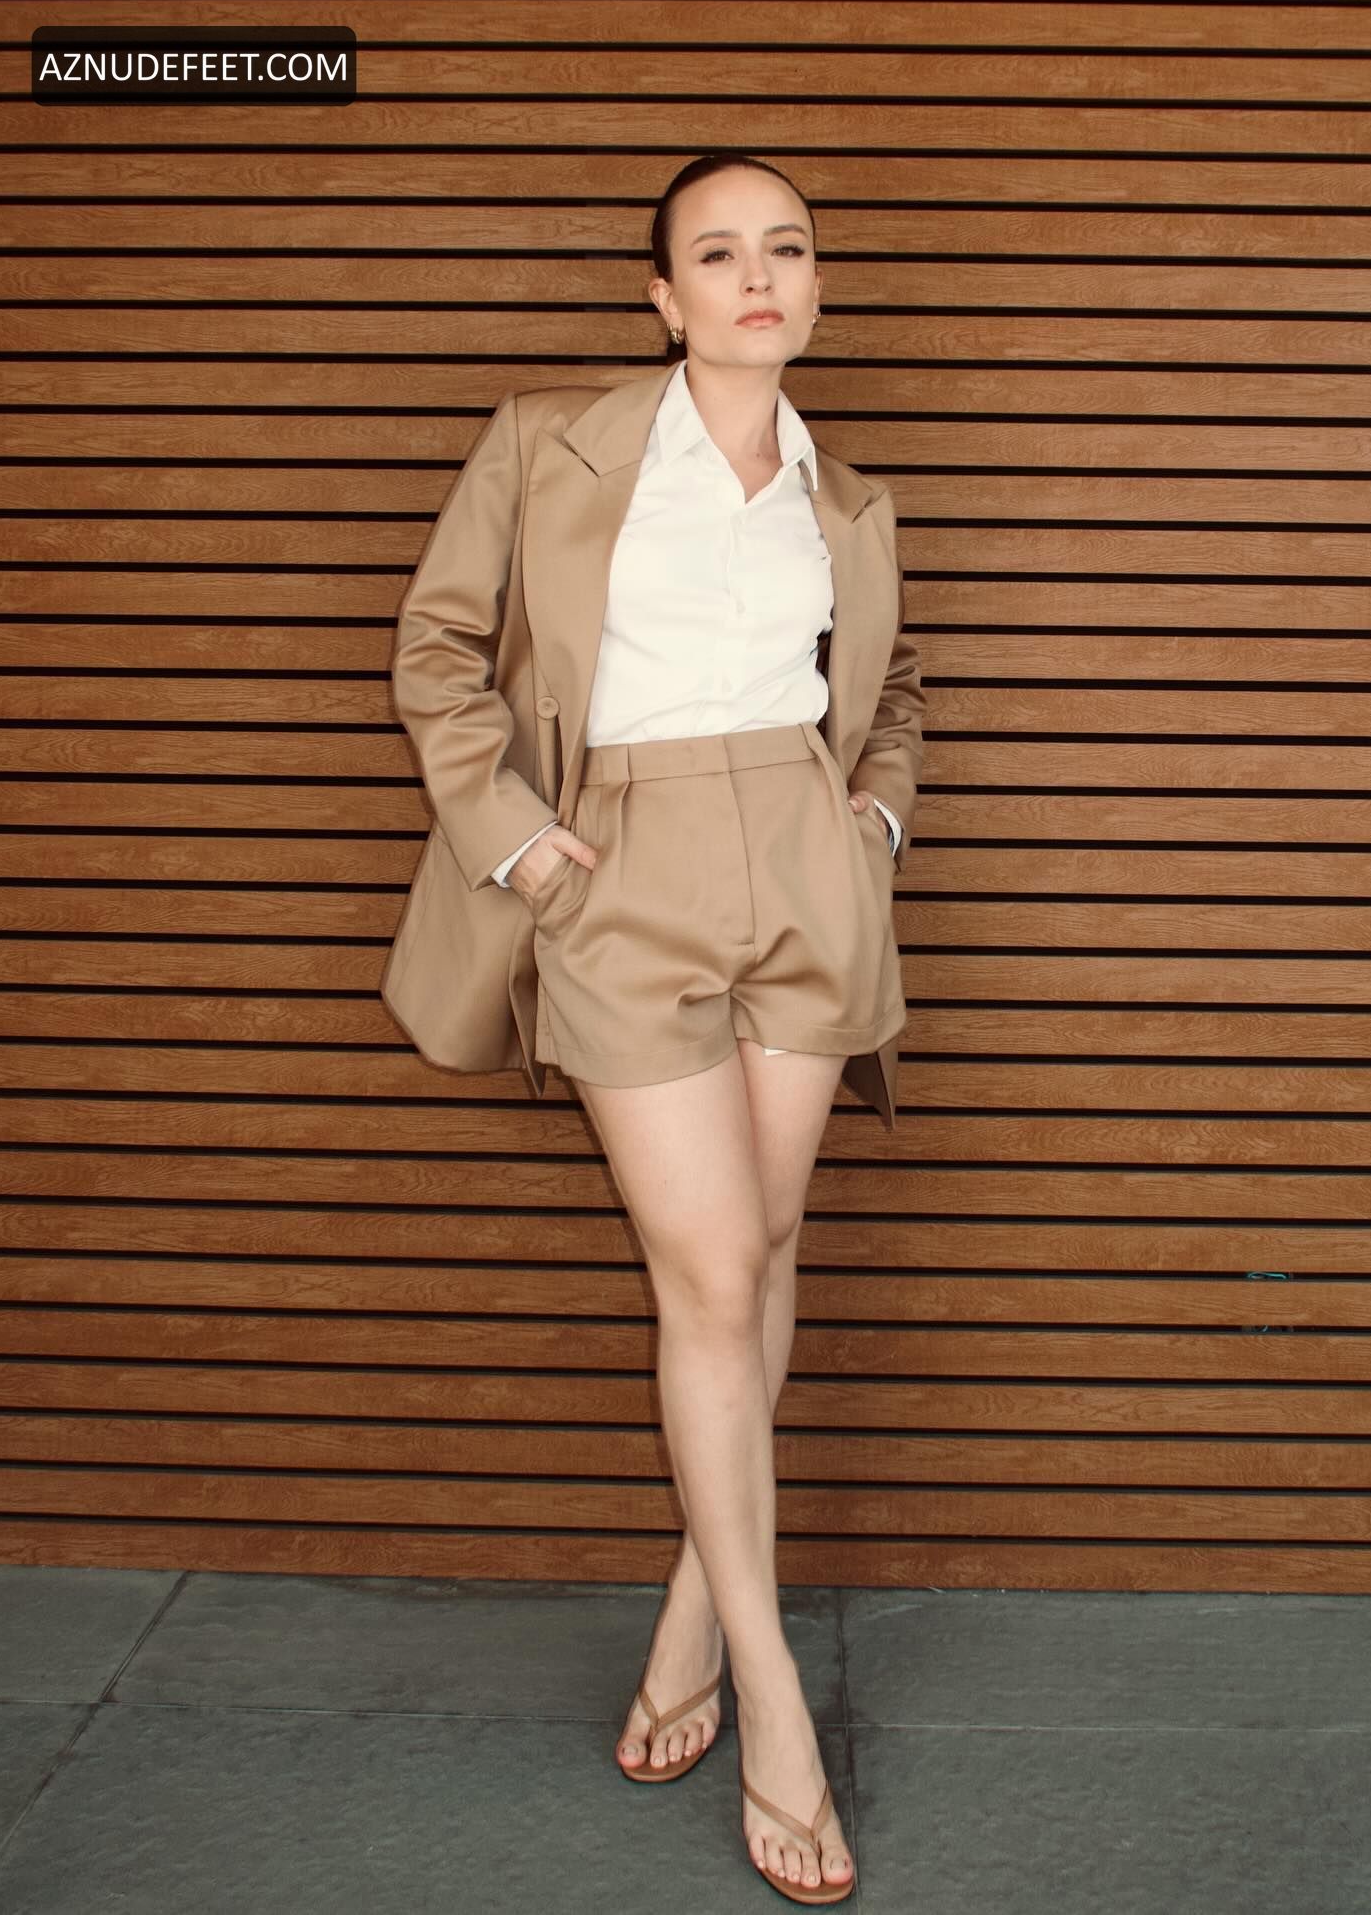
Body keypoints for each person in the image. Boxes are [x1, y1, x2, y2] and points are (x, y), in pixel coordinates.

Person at [385, 151, 924, 1906]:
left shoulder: (850, 497)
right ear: (664, 297)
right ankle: (775, 1697)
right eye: (719, 252)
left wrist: (875, 821)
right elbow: (437, 648)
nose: (758, 277)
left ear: (814, 287)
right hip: (619, 863)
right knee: (707, 1272)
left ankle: (697, 1616)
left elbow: (893, 691)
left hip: (807, 864)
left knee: (763, 1250)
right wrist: (521, 841)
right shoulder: (552, 441)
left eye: (787, 249)